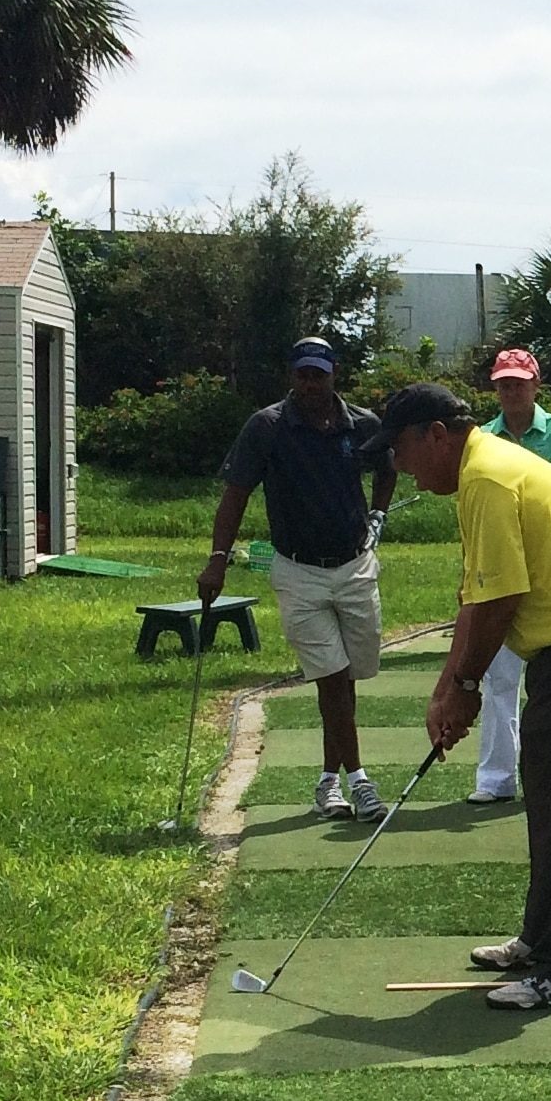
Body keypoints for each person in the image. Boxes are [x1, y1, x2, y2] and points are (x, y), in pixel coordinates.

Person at [389, 382, 551, 1009]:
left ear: (435, 435)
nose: (400, 470)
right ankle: (543, 937)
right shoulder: (480, 471)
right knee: (549, 784)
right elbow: (475, 597)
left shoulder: (488, 478)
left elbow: (503, 603)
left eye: (400, 452)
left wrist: (469, 687)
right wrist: (444, 688)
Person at [199, 336, 398, 822]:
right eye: (302, 375)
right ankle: (358, 781)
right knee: (331, 679)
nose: (310, 384)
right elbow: (236, 494)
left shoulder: (363, 424)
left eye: (319, 375)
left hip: (354, 566)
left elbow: (388, 468)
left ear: (334, 376)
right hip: (297, 571)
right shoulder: (267, 427)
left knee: (350, 675)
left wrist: (378, 515)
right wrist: (218, 559)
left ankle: (328, 781)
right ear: (292, 376)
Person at [468, 348, 551, 805]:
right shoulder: (483, 437)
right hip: (500, 569)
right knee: (499, 678)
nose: (511, 389)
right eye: (503, 382)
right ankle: (497, 779)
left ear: (536, 384)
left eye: (518, 381)